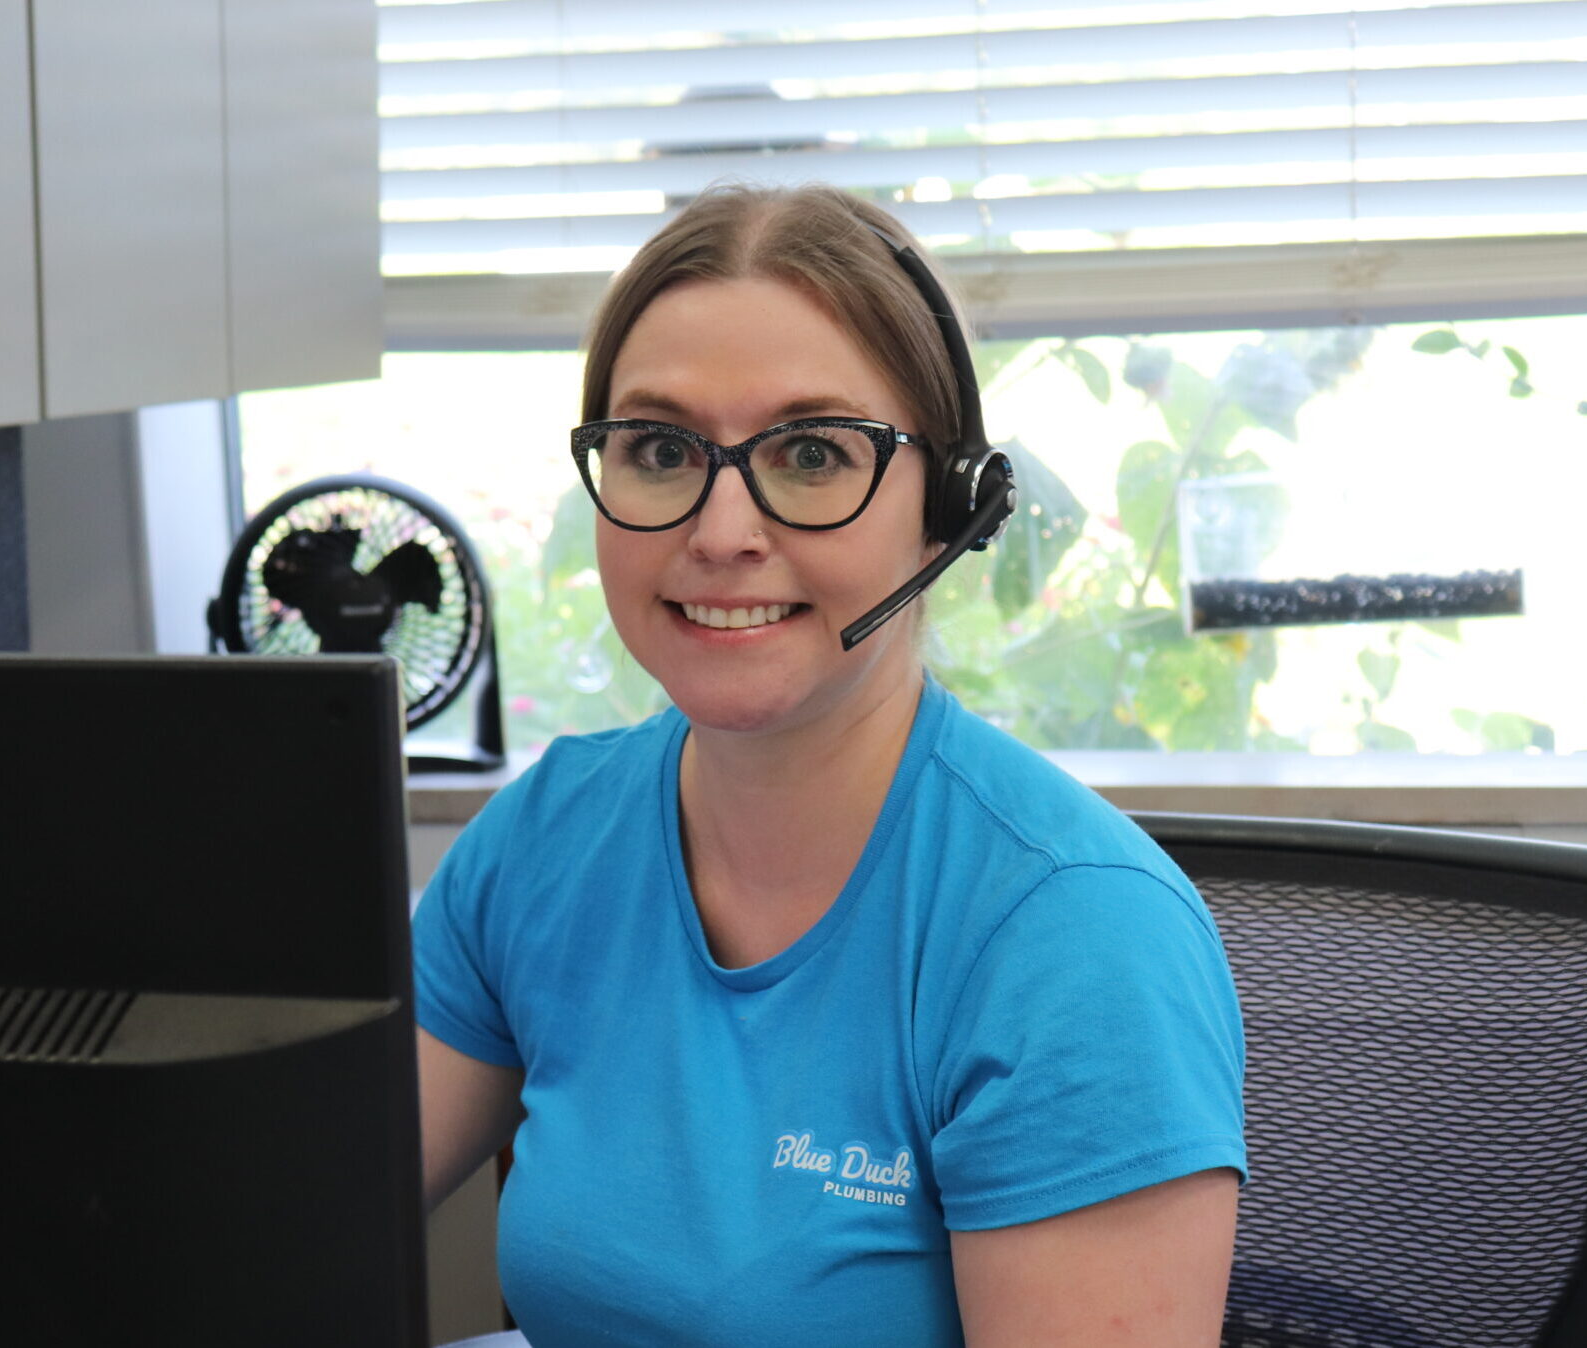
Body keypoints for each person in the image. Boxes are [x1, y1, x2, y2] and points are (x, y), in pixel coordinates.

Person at [412, 183, 1247, 1346]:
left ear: (947, 507)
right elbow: (278, 1209)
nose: (720, 531)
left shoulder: (1074, 938)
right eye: (659, 448)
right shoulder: (544, 840)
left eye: (810, 453)